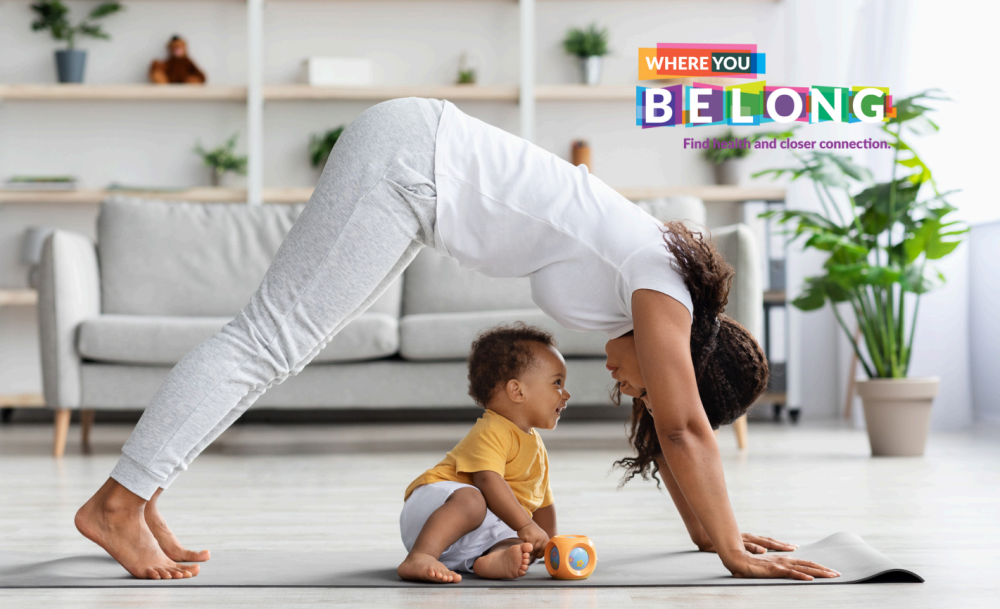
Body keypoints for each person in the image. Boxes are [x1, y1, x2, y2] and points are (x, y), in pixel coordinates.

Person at [75, 96, 839, 581]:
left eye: (634, 389)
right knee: (268, 341)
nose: (624, 386)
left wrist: (717, 535)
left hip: (417, 179)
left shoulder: (649, 300)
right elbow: (683, 426)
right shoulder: (661, 283)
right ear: (687, 361)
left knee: (282, 346)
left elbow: (668, 434)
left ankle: (140, 499)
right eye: (641, 383)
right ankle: (117, 502)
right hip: (410, 163)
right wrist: (737, 555)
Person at [397, 323, 565, 583]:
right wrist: (527, 526)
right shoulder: (493, 429)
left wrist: (550, 545)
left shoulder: (535, 445)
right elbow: (487, 480)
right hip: (434, 511)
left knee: (519, 545)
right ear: (517, 391)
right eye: (557, 382)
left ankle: (490, 560)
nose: (565, 394)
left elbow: (542, 501)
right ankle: (420, 556)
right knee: (474, 500)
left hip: (466, 537)